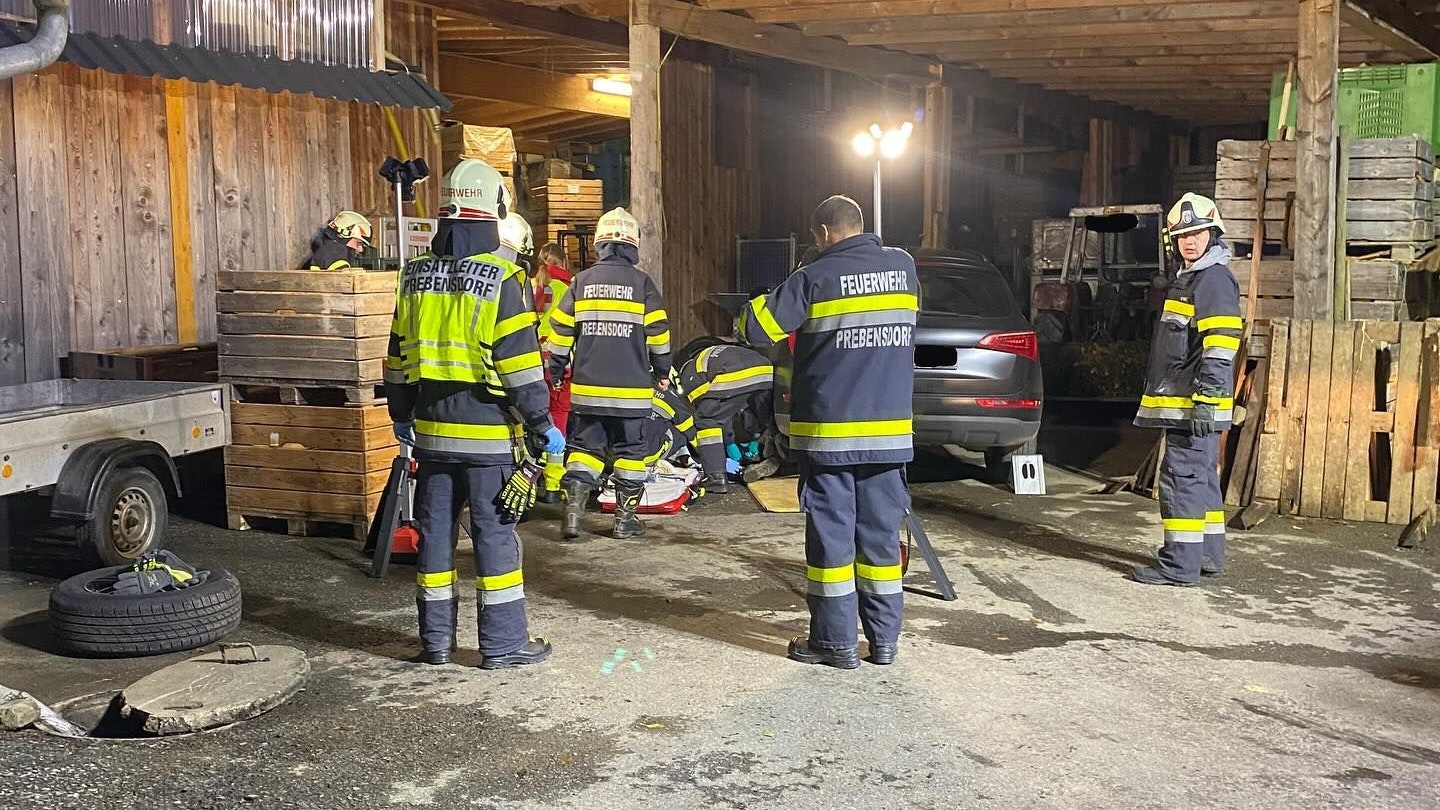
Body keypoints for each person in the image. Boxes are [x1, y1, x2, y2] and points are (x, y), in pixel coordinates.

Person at [384, 159, 566, 669]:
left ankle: (436, 643)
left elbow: (396, 356)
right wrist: (542, 425)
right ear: (495, 210)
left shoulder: (413, 275)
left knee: (435, 540)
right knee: (493, 537)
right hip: (487, 439)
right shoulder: (503, 279)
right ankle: (503, 646)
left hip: (430, 438)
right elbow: (520, 368)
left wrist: (401, 413)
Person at [736, 195, 919, 670]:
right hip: (888, 437)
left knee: (832, 543)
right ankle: (884, 643)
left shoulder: (814, 277)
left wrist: (793, 277)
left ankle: (835, 644)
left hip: (830, 436)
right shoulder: (904, 269)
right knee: (881, 541)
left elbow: (755, 328)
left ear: (821, 233)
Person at [1131, 193, 1242, 586]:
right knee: (1201, 480)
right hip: (1191, 403)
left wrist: (1207, 398)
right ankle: (1206, 557)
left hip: (1193, 404)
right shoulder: (1192, 278)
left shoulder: (1212, 280)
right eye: (1182, 236)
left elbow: (1221, 343)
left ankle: (1178, 566)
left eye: (1197, 233)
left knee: (1182, 481)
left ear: (1214, 234)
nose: (1189, 241)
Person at [544, 207, 672, 540]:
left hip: (587, 391)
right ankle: (624, 521)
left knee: (584, 451)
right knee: (630, 453)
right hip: (631, 393)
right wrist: (662, 371)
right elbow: (659, 335)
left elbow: (560, 335)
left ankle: (573, 516)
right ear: (633, 244)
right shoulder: (643, 284)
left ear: (600, 243)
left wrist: (555, 372)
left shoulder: (580, 282)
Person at [676, 343, 774, 493]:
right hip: (766, 371)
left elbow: (712, 411)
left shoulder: (689, 373)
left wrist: (728, 442)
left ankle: (716, 477)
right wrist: (755, 438)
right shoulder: (717, 354)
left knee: (706, 420)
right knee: (765, 416)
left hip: (733, 374)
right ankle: (769, 455)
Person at [534, 242, 574, 503]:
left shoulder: (530, 286)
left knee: (533, 417)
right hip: (559, 362)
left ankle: (530, 477)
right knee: (558, 420)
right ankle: (553, 483)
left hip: (531, 360)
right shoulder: (568, 289)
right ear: (563, 262)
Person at [308, 210, 372, 271]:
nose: (360, 250)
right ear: (345, 234)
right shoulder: (337, 255)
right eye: (359, 243)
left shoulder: (324, 247)